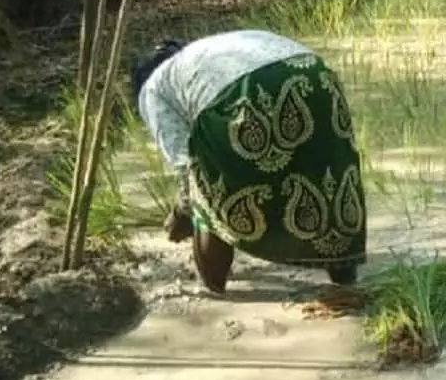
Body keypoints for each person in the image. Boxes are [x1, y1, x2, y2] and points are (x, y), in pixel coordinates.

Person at [130, 29, 368, 294]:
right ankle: (347, 285)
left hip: (247, 90)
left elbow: (187, 167)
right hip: (316, 73)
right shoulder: (207, 51)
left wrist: (182, 213)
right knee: (326, 178)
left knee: (208, 194)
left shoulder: (152, 89)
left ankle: (213, 291)